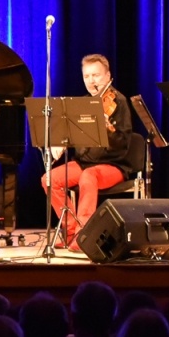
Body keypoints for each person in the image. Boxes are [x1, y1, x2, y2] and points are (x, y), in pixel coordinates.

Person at [41, 54, 134, 247]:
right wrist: (61, 142)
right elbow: (72, 133)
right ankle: (70, 229)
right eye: (87, 76)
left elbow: (123, 144)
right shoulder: (82, 104)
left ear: (108, 75)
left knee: (88, 177)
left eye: (96, 75)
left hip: (113, 165)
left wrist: (109, 129)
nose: (91, 81)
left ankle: (84, 236)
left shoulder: (119, 102)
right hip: (85, 163)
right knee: (49, 179)